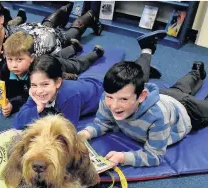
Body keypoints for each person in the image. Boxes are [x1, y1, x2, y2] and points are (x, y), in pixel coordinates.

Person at [78, 61, 208, 167]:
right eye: (110, 97)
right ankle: (196, 72)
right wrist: (84, 134)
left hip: (188, 112)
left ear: (141, 96)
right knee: (179, 88)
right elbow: (103, 123)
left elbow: (154, 155)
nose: (114, 105)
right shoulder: (108, 97)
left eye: (123, 100)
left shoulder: (157, 117)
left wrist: (123, 157)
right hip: (166, 97)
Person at [14, 30, 168, 129]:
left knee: (135, 80)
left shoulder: (69, 97)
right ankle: (144, 64)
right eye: (34, 85)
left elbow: (67, 131)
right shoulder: (37, 92)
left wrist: (36, 115)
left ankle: (147, 50)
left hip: (101, 88)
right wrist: (37, 108)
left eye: (45, 84)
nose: (39, 90)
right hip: (85, 83)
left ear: (58, 82)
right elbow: (18, 123)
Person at [0, 31, 104, 117]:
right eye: (10, 59)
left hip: (52, 68)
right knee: (57, 55)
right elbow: (1, 86)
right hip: (45, 59)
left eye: (19, 60)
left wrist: (12, 105)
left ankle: (95, 53)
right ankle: (74, 48)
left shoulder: (34, 77)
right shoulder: (6, 69)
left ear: (31, 58)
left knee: (75, 65)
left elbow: (27, 97)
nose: (14, 65)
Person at [0, 2, 99, 75]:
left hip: (44, 40)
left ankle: (89, 16)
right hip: (31, 29)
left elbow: (24, 72)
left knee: (66, 35)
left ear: (1, 18)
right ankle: (63, 11)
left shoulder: (17, 43)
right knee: (46, 25)